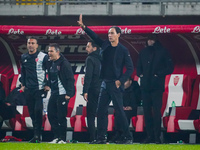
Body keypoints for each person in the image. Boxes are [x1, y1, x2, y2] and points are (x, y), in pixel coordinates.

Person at [77, 14, 134, 144]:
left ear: (118, 34)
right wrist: (84, 27)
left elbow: (130, 68)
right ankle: (101, 137)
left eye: (112, 33)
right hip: (104, 83)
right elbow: (95, 37)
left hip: (115, 84)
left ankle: (128, 137)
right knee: (100, 111)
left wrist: (121, 80)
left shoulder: (123, 50)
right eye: (108, 33)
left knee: (119, 111)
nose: (109, 35)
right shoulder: (105, 45)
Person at [137, 35, 174, 144]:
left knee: (156, 112)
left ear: (156, 40)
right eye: (148, 39)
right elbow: (138, 67)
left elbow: (170, 67)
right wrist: (141, 75)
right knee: (147, 112)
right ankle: (149, 136)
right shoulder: (143, 52)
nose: (150, 41)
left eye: (152, 39)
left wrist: (158, 74)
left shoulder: (163, 51)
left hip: (157, 87)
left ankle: (157, 136)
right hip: (145, 87)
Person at [20, 37, 49, 143]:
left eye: (33, 43)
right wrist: (23, 84)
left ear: (37, 45)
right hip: (28, 89)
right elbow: (23, 72)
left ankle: (38, 135)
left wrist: (48, 84)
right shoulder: (24, 57)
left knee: (38, 111)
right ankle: (36, 135)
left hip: (40, 89)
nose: (30, 45)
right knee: (32, 113)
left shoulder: (43, 57)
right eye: (29, 43)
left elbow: (50, 70)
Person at [47, 43, 75, 144]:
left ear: (57, 52)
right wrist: (48, 85)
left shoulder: (64, 63)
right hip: (54, 94)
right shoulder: (50, 63)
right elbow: (51, 78)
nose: (49, 53)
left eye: (51, 51)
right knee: (50, 115)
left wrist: (69, 93)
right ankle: (56, 136)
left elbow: (70, 79)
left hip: (63, 94)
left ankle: (62, 138)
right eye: (48, 51)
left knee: (61, 117)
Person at [111, 77, 141, 143]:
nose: (124, 83)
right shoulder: (121, 90)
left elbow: (138, 101)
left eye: (126, 81)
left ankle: (124, 135)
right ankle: (118, 133)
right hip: (123, 108)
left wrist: (131, 107)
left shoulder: (135, 90)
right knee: (118, 113)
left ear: (130, 82)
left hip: (133, 109)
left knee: (125, 114)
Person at [82, 40, 101, 144]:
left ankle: (93, 138)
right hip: (103, 89)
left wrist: (85, 91)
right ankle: (102, 137)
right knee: (102, 114)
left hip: (93, 90)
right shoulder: (103, 58)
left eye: (88, 46)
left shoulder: (90, 58)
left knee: (91, 115)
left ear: (94, 48)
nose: (86, 48)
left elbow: (88, 76)